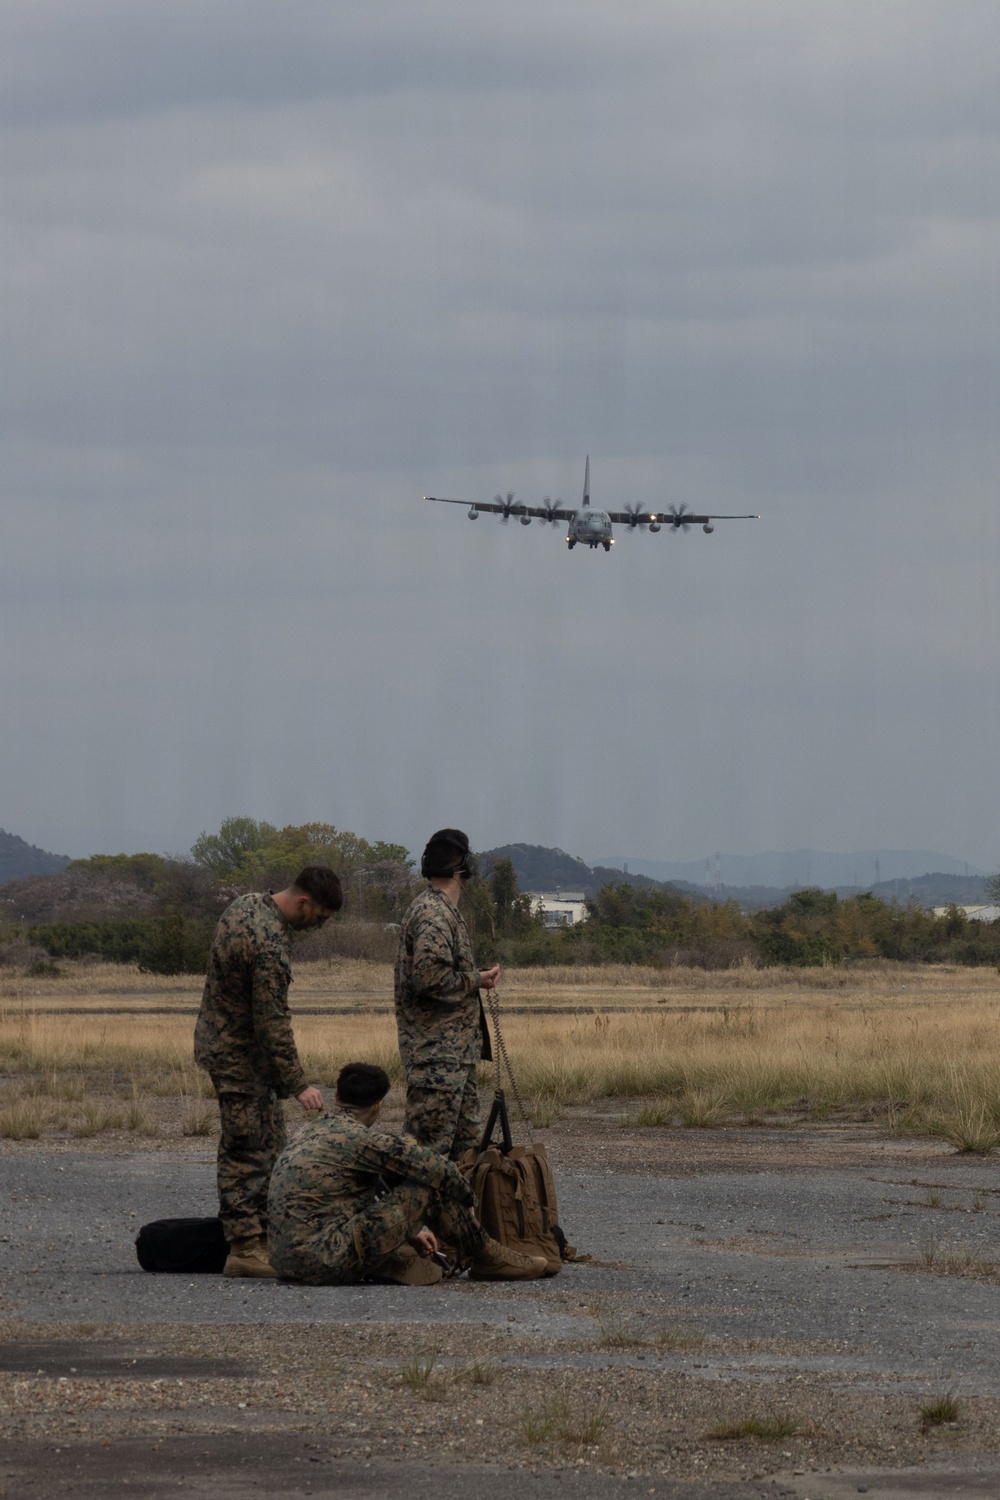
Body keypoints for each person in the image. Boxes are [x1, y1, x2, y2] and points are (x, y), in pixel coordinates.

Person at [267, 1061, 547, 1283]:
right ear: (378, 1106)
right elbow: (437, 1167)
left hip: (284, 1262)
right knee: (426, 1190)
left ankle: (390, 1259)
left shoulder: (308, 1132)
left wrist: (409, 1231)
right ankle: (489, 1257)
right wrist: (467, 1199)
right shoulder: (363, 1141)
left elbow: (341, 1199)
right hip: (324, 1260)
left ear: (337, 1095)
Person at [194, 865, 343, 1279]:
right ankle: (244, 1249)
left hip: (230, 1051)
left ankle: (262, 1241)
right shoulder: (269, 943)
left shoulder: (244, 905)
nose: (317, 926)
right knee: (247, 1152)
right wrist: (298, 1084)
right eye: (320, 917)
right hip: (241, 1060)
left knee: (270, 1146)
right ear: (303, 903)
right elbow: (271, 1019)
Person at [394, 828, 499, 1159]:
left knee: (464, 1157)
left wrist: (473, 978)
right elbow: (429, 978)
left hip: (454, 1058)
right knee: (425, 1159)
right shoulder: (434, 914)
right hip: (437, 1060)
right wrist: (476, 979)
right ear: (464, 867)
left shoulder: (442, 910)